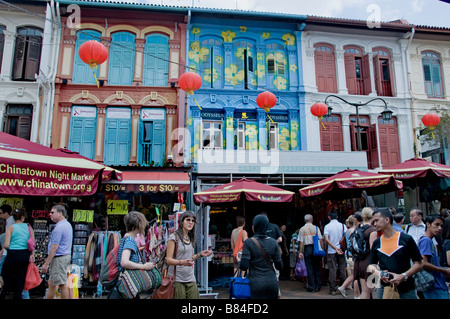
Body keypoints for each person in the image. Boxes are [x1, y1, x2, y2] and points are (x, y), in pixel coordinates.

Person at [368, 208, 423, 299]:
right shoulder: (377, 243)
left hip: (407, 289)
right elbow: (371, 266)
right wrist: (379, 273)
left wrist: (403, 276)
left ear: (387, 220)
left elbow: (419, 264)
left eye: (377, 220)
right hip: (385, 289)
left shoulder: (406, 239)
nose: (374, 224)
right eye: (373, 221)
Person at [108, 211, 156, 299]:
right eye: (143, 222)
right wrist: (144, 267)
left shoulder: (127, 237)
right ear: (137, 224)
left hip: (129, 283)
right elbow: (124, 262)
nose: (145, 224)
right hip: (128, 284)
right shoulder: (130, 240)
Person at [166, 211, 213, 299]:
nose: (190, 222)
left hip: (190, 277)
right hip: (177, 279)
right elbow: (168, 260)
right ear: (181, 222)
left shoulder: (190, 238)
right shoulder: (173, 237)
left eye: (193, 220)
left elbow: (188, 258)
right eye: (188, 220)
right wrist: (182, 262)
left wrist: (200, 254)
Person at [239, 214, 282, 299]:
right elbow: (279, 266)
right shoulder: (274, 242)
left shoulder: (249, 242)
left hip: (255, 284)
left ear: (254, 227)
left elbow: (244, 266)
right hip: (271, 283)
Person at [0, 208, 35, 299]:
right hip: (24, 255)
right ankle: (17, 296)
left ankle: (3, 294)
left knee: (7, 278)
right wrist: (32, 254)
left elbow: (6, 245)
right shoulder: (28, 227)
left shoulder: (11, 228)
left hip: (12, 255)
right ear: (23, 217)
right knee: (20, 280)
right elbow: (32, 243)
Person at [41, 205, 73, 299]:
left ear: (60, 213)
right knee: (52, 282)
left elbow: (54, 247)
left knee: (62, 283)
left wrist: (46, 263)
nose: (50, 214)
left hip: (59, 258)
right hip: (63, 256)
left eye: (52, 212)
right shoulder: (67, 225)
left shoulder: (59, 228)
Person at [417, 215, 450, 299]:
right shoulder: (426, 240)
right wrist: (443, 270)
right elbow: (423, 263)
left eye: (441, 226)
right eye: (437, 224)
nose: (439, 228)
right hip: (434, 285)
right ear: (428, 224)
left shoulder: (428, 240)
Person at [351, 207, 377, 299]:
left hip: (359, 262)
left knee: (365, 291)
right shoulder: (372, 230)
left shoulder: (358, 228)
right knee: (372, 291)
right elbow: (373, 249)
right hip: (369, 262)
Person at [323, 210, 347, 295]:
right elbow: (346, 236)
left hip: (331, 251)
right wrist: (339, 247)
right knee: (342, 268)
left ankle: (333, 289)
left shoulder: (327, 227)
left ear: (329, 217)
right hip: (341, 250)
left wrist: (334, 247)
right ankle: (343, 287)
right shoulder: (343, 226)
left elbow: (326, 239)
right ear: (337, 217)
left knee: (332, 269)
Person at [298, 214, 323, 292]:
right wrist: (321, 249)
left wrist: (300, 252)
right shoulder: (316, 228)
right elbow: (321, 240)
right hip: (315, 248)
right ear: (312, 220)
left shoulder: (302, 229)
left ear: (305, 220)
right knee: (317, 267)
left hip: (307, 249)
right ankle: (318, 285)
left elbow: (301, 242)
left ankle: (311, 287)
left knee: (309, 268)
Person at [337, 214, 361, 298]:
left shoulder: (347, 231)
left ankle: (344, 287)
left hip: (348, 254)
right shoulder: (353, 231)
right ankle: (356, 294)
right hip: (352, 255)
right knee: (356, 275)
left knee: (355, 274)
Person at [0, 204, 13, 274]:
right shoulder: (8, 221)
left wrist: (4, 247)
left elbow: (8, 236)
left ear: (6, 213)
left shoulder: (10, 222)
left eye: (1, 213)